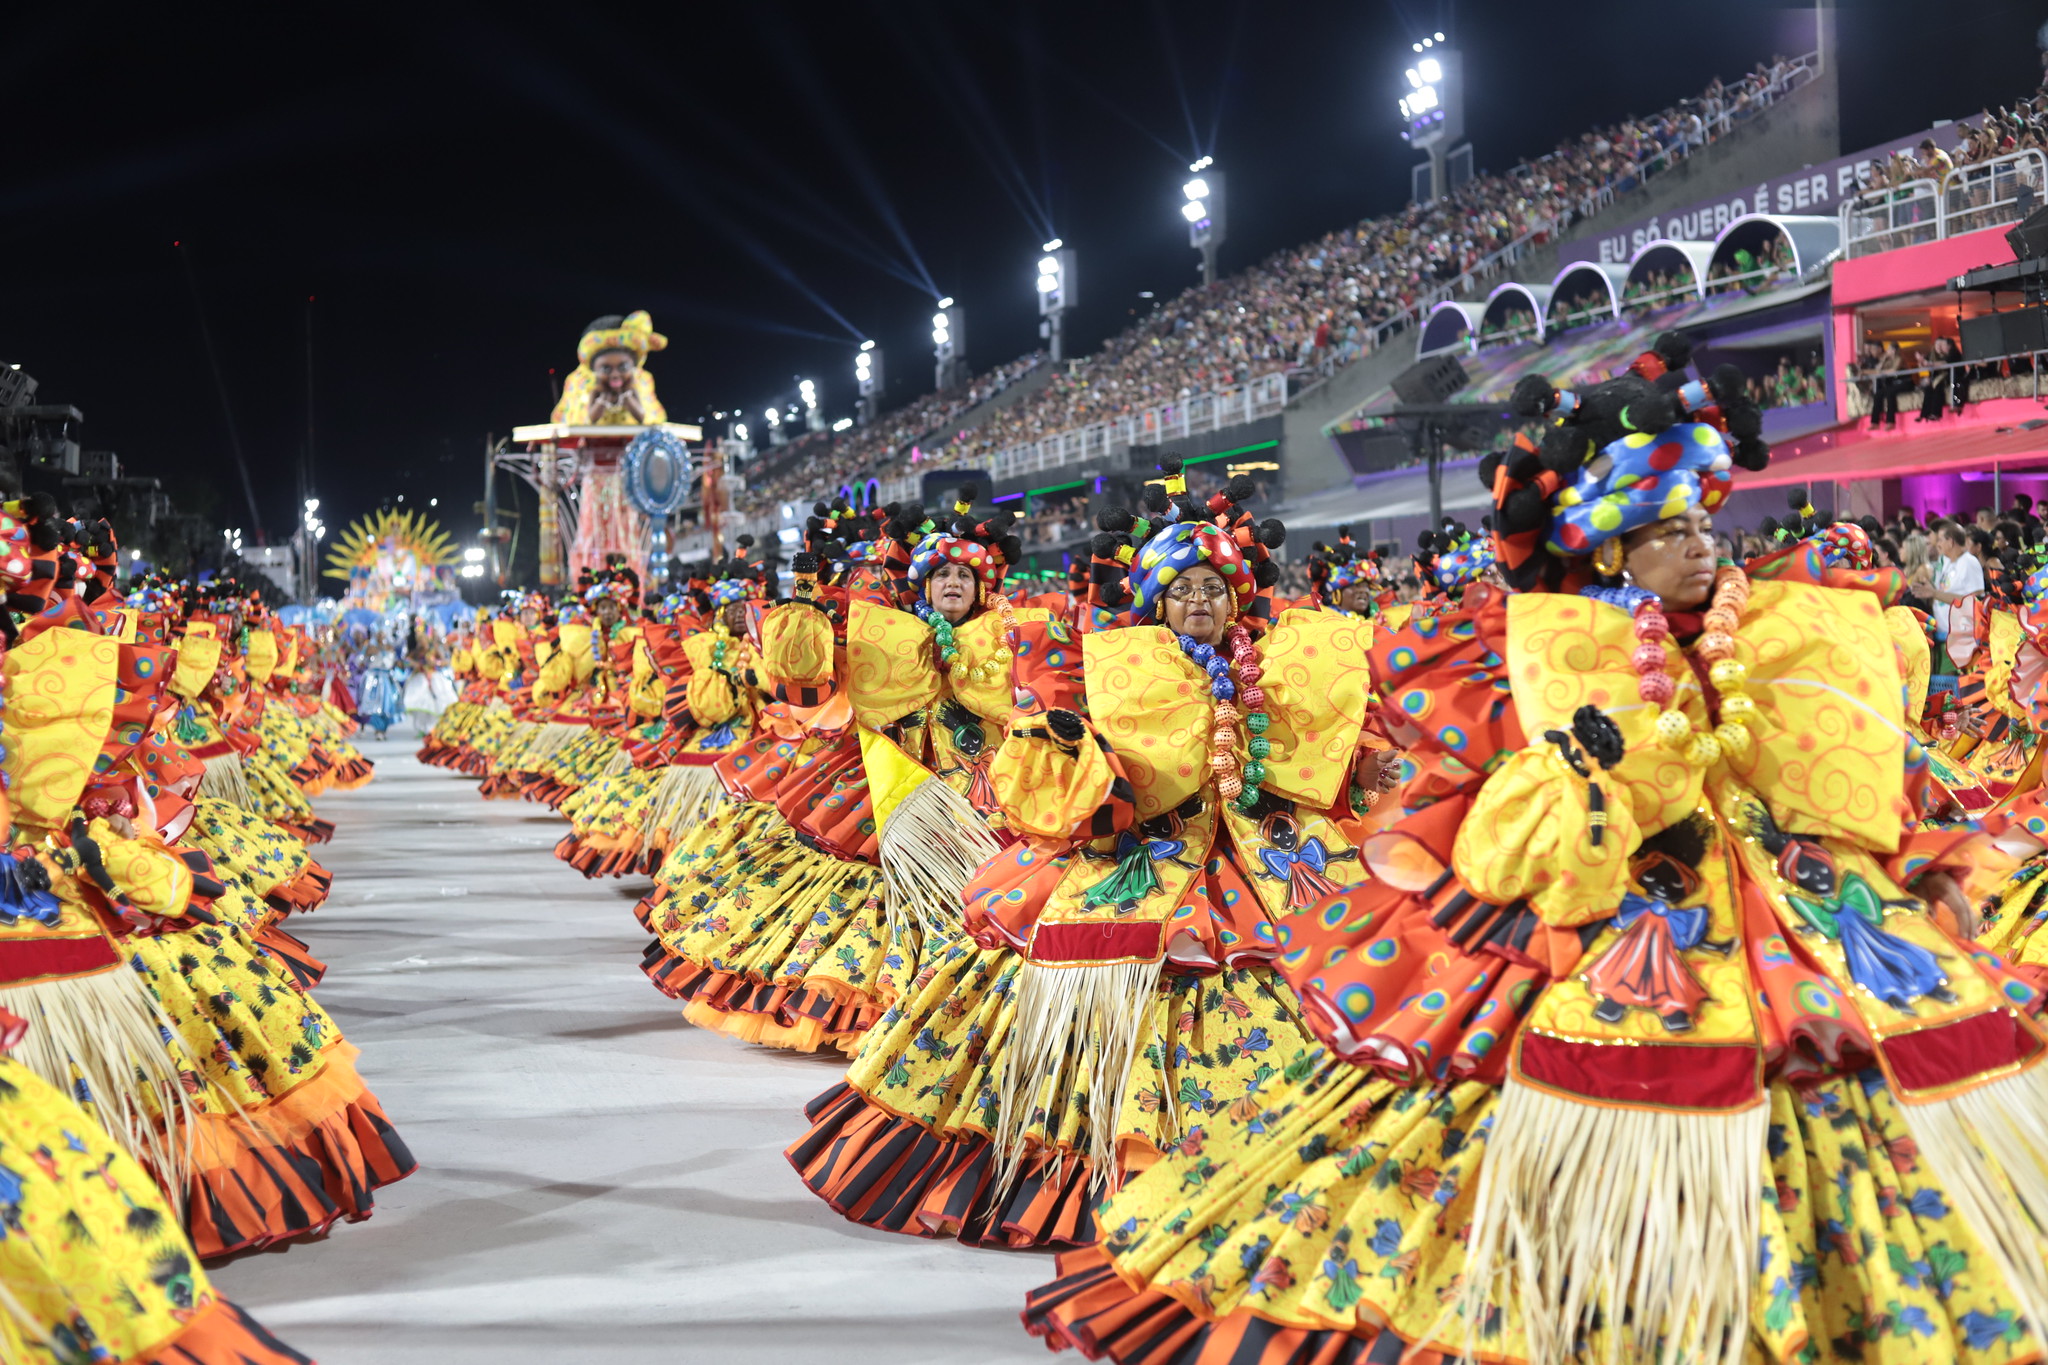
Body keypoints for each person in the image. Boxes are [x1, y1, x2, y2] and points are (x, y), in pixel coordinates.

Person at [1024, 362, 2048, 1365]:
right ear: (1608, 554)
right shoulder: (1526, 658)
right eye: (1666, 534)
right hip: (1607, 915)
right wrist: (1582, 779)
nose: (1699, 548)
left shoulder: (1774, 630)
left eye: (1701, 524)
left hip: (1797, 916)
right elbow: (1492, 834)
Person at [1915, 519, 1985, 671]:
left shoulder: (1969, 562)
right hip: (1944, 636)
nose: (1937, 543)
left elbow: (1974, 601)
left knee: (1952, 688)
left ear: (1951, 541)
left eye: (1940, 539)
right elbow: (1944, 592)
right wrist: (1929, 589)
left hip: (1962, 640)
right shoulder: (1948, 562)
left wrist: (1934, 593)